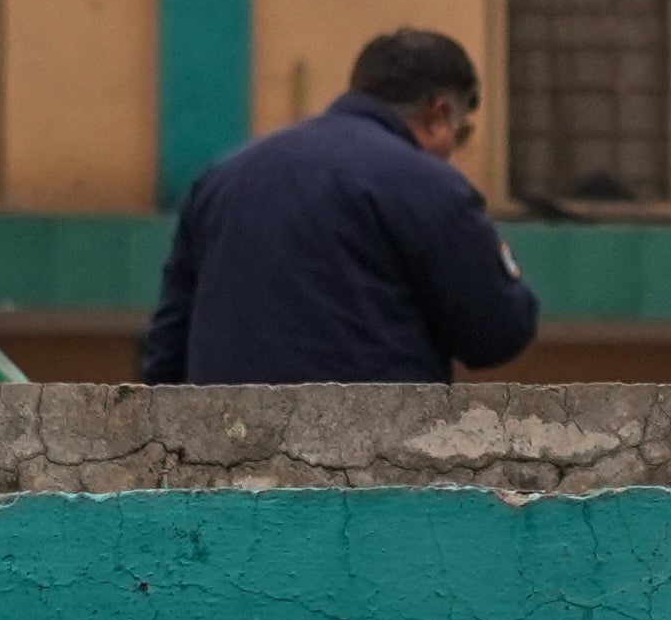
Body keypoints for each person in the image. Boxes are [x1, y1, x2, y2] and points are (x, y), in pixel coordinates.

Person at [138, 28, 542, 386]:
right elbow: (495, 331)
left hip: (228, 457)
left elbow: (168, 348)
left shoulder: (222, 178)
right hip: (373, 459)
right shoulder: (429, 185)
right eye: (462, 131)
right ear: (439, 115)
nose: (455, 148)